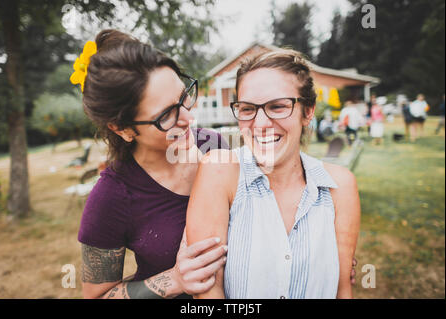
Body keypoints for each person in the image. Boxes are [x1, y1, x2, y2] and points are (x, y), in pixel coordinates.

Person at [186, 49, 361, 299]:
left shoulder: (339, 186)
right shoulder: (220, 170)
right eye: (247, 109)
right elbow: (207, 292)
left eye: (278, 106)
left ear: (308, 111)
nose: (260, 124)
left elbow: (342, 290)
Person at [71, 30, 229, 299]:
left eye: (184, 96)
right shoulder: (111, 197)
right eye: (166, 115)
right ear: (122, 128)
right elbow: (96, 296)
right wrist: (175, 279)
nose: (189, 117)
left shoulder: (215, 145)